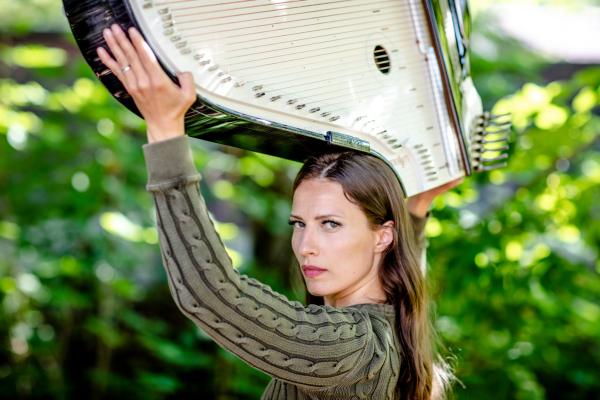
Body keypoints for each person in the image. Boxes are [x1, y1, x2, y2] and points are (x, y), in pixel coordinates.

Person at [97, 24, 461, 400]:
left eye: (330, 224)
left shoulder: (347, 349)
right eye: (298, 224)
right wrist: (416, 210)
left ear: (384, 236)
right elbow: (408, 272)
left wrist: (166, 131)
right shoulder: (399, 329)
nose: (305, 246)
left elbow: (213, 294)